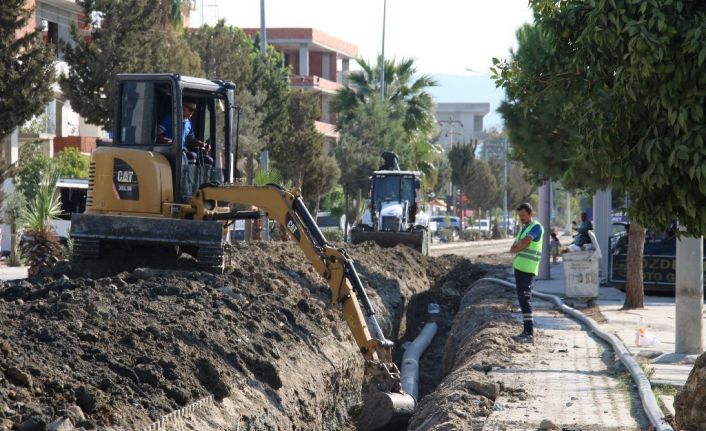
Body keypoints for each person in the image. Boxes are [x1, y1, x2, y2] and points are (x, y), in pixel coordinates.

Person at [509, 202, 544, 343]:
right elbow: (515, 244)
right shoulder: (524, 228)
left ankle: (529, 333)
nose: (521, 218)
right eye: (519, 216)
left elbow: (525, 243)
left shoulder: (536, 227)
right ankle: (525, 331)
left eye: (523, 215)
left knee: (525, 299)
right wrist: (517, 247)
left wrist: (517, 247)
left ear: (530, 214)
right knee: (522, 301)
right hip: (519, 268)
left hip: (528, 269)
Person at [158, 99, 213, 164]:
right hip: (169, 151)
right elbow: (157, 134)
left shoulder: (189, 123)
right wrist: (169, 142)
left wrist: (203, 144)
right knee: (192, 156)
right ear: (181, 107)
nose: (192, 112)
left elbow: (192, 139)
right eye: (190, 109)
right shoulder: (169, 119)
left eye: (194, 110)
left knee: (208, 160)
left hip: (183, 151)